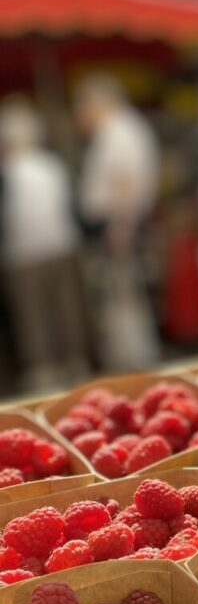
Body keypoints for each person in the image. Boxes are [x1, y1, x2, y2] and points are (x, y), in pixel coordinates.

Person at [0, 98, 88, 390]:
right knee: (66, 308)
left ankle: (44, 369)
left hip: (23, 254)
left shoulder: (9, 171)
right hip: (61, 246)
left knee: (33, 315)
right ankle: (75, 362)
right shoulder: (51, 164)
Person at [74, 74, 161, 369]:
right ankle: (132, 356)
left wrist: (120, 227)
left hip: (119, 225)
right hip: (120, 224)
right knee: (124, 295)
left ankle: (134, 360)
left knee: (124, 296)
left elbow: (124, 181)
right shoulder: (123, 128)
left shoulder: (118, 130)